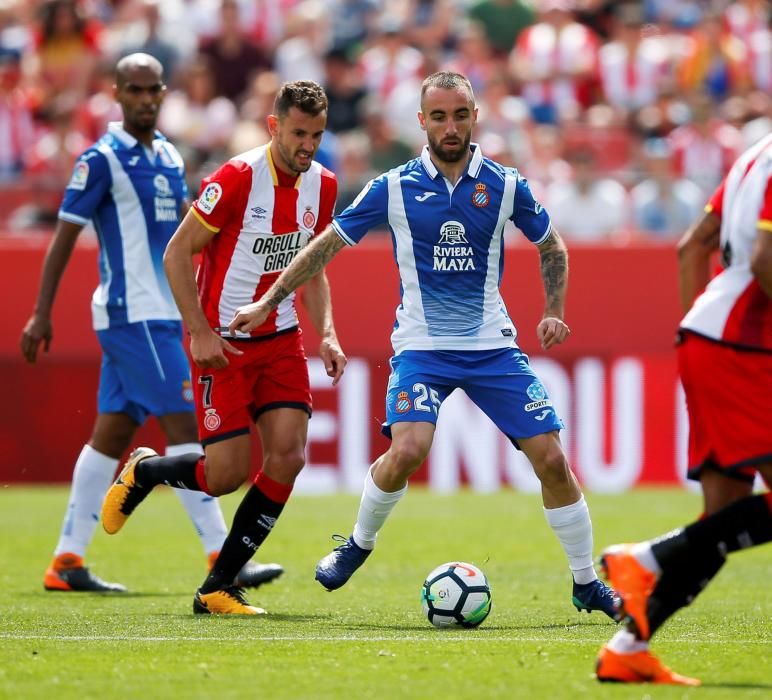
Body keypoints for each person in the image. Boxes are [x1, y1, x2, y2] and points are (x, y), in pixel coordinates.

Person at [230, 71, 619, 619]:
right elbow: (327, 246)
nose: (450, 126)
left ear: (474, 116)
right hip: (422, 348)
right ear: (422, 122)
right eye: (439, 116)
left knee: (553, 460)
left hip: (492, 347)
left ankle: (585, 582)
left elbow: (551, 244)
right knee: (408, 450)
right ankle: (358, 544)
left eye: (460, 115)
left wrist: (554, 311)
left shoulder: (505, 184)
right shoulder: (393, 186)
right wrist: (269, 300)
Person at [595, 47, 772, 685]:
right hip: (738, 341)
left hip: (707, 335)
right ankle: (643, 557)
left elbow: (689, 247)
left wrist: (691, 332)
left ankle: (628, 649)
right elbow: (767, 264)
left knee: (726, 512)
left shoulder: (763, 150)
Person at [20, 53, 283, 594]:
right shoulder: (102, 160)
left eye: (152, 90)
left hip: (165, 314)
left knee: (111, 433)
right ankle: (223, 558)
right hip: (132, 313)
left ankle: (66, 560)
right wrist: (42, 311)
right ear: (116, 93)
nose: (144, 99)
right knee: (190, 429)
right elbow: (66, 233)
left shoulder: (167, 155)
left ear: (164, 92)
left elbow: (192, 235)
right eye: (134, 90)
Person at [100, 80, 344, 615]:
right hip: (223, 346)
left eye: (317, 135)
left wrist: (325, 331)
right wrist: (198, 330)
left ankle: (218, 585)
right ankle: (146, 470)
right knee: (226, 475)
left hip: (279, 338)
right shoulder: (236, 178)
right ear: (274, 125)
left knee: (289, 455)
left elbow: (313, 268)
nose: (308, 145)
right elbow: (177, 252)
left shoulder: (323, 185)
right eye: (299, 133)